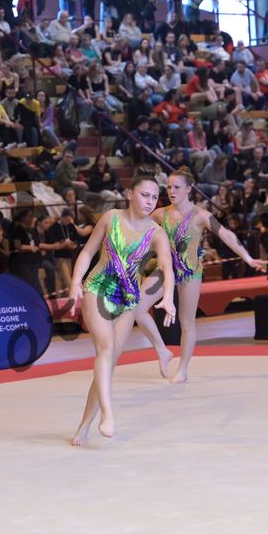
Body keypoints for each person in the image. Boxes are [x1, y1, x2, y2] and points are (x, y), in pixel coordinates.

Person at [68, 175, 177, 445]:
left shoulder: (157, 233)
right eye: (144, 195)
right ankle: (107, 414)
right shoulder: (111, 218)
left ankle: (85, 424)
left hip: (128, 299)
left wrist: (169, 297)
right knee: (105, 348)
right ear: (130, 194)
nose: (150, 201)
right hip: (98, 288)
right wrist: (75, 282)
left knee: (108, 365)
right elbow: (87, 252)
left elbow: (166, 267)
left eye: (154, 197)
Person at [134, 169, 268, 383]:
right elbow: (136, 230)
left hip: (189, 273)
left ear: (188, 189)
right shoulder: (160, 214)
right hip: (166, 270)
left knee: (186, 322)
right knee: (137, 307)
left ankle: (183, 369)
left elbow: (226, 235)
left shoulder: (201, 215)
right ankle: (162, 350)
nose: (171, 191)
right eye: (168, 187)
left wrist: (248, 258)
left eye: (177, 187)